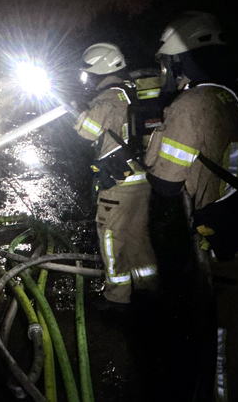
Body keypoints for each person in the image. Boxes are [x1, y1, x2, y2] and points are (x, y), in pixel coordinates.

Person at [146, 11, 238, 402]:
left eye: (168, 63)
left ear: (179, 60)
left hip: (236, 249)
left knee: (228, 358)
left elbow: (165, 185)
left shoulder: (191, 106)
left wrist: (160, 130)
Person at [73, 42, 164, 313]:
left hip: (118, 183)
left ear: (98, 71)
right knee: (137, 235)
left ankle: (116, 297)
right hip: (142, 177)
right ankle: (149, 287)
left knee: (111, 236)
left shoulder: (107, 98)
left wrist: (79, 113)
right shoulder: (131, 91)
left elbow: (87, 132)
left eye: (88, 74)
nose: (87, 79)